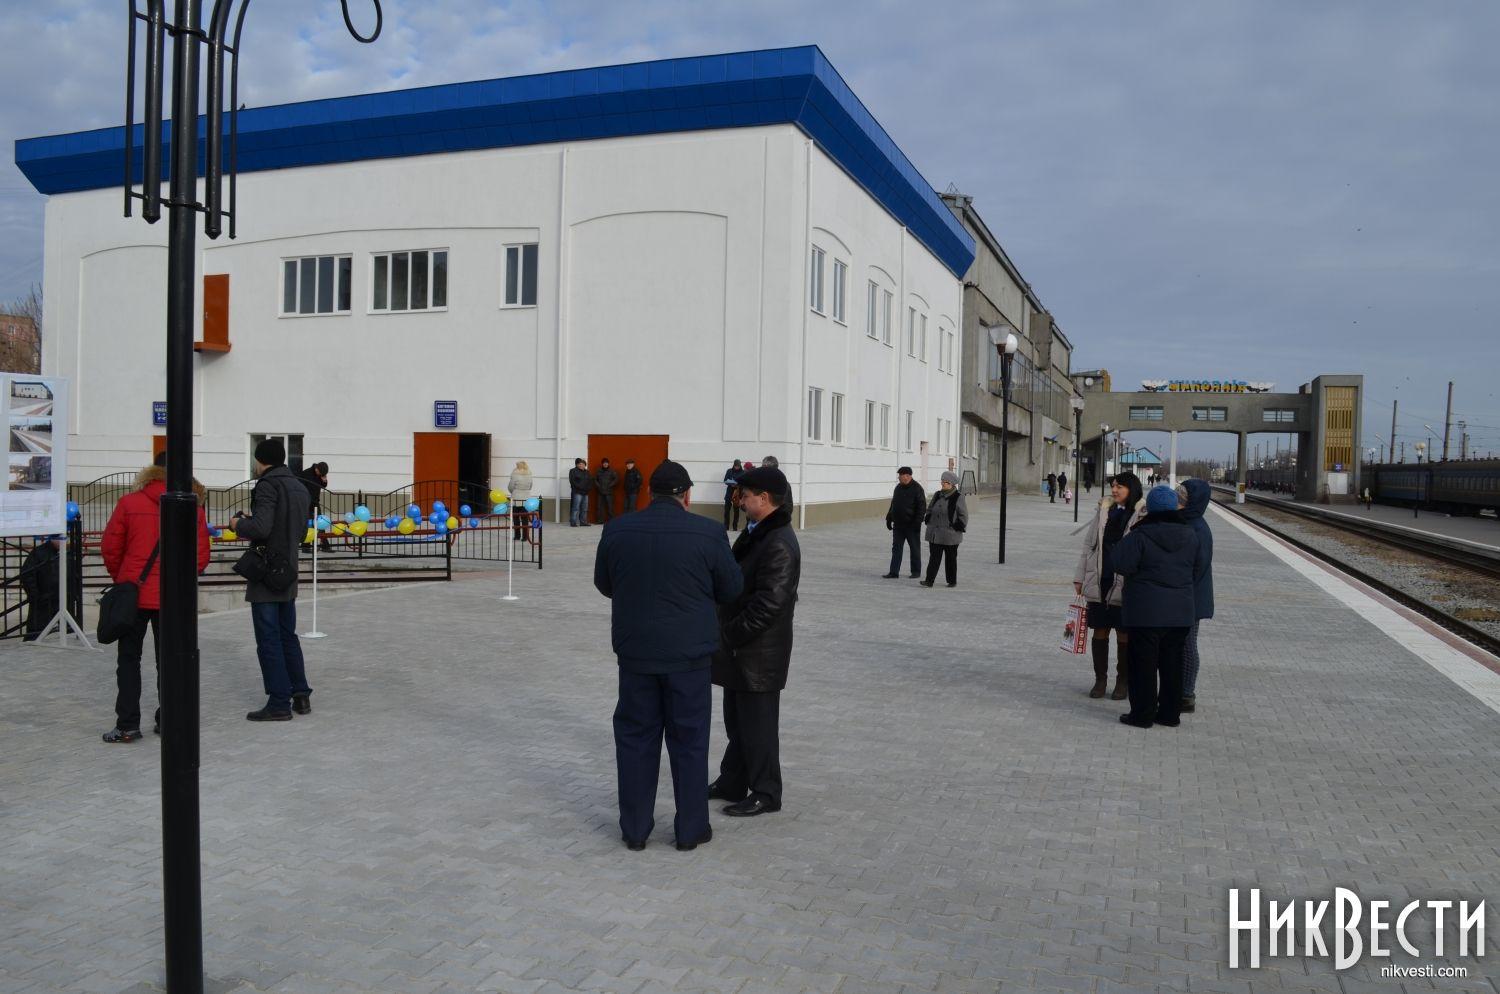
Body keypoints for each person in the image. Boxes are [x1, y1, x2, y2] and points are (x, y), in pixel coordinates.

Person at [593, 460, 742, 851]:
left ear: (649, 492)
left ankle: (635, 830)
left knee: (635, 740)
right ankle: (690, 830)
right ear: (687, 495)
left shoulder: (617, 528)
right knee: (689, 742)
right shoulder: (709, 532)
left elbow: (604, 583)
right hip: (689, 658)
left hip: (637, 656)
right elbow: (731, 588)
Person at [710, 465, 800, 818]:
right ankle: (733, 781)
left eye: (745, 496)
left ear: (764, 498)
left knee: (758, 727)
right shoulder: (757, 533)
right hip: (741, 651)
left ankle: (766, 791)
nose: (740, 501)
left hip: (758, 653)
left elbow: (769, 605)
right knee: (738, 722)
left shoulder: (778, 543)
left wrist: (728, 635)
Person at [100, 462, 211, 741]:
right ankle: (169, 720)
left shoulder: (129, 503)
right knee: (170, 661)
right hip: (172, 598)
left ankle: (127, 724)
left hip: (133, 595)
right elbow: (200, 556)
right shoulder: (192, 508)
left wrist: (123, 579)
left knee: (128, 660)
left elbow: (111, 547)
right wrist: (182, 583)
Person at [231, 438, 314, 722]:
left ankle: (279, 702)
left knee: (268, 639)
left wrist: (238, 524)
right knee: (287, 635)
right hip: (288, 570)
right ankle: (300, 694)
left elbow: (261, 527)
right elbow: (300, 532)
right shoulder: (299, 486)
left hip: (267, 572)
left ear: (260, 460)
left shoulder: (267, 485)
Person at [1112, 485, 1206, 729]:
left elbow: (1120, 563)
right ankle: (1169, 714)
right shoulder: (1191, 534)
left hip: (1145, 612)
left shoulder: (1140, 535)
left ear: (1150, 508)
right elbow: (1198, 568)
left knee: (1142, 665)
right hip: (1180, 613)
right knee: (1172, 664)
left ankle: (1142, 715)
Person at [1073, 472, 1144, 699]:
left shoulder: (1142, 513)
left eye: (1119, 487)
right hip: (1100, 580)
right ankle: (1100, 680)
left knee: (1124, 634)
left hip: (1125, 583)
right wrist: (1080, 576)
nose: (1114, 490)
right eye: (1113, 486)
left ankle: (1122, 681)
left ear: (1131, 489)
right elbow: (1089, 545)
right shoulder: (1104, 510)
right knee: (1100, 630)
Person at [1176, 480, 1215, 714]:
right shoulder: (1188, 522)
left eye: (1182, 497)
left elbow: (1196, 567)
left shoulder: (1198, 528)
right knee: (1183, 643)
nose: (1178, 500)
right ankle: (1181, 691)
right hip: (1186, 595)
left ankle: (1187, 694)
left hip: (1191, 597)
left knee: (1188, 645)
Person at [920, 471, 968, 588]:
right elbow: (930, 508)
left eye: (945, 482)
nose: (943, 484)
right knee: (934, 558)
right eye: (942, 481)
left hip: (950, 534)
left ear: (952, 484)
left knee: (950, 559)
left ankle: (952, 581)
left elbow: (963, 515)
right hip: (935, 533)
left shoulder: (958, 497)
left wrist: (958, 526)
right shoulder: (937, 494)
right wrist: (928, 517)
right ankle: (929, 581)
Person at [882, 466, 925, 578]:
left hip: (912, 525)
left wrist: (917, 522)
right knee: (896, 549)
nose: (899, 477)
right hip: (898, 525)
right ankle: (894, 572)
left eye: (900, 475)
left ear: (907, 476)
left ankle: (916, 571)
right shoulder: (898, 488)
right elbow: (894, 504)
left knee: (914, 549)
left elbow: (921, 508)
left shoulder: (917, 489)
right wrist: (889, 517)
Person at [20, 535, 63, 641]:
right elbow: (27, 575)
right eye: (60, 538)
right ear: (53, 539)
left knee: (69, 630)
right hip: (43, 600)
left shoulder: (65, 553)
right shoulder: (39, 553)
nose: (64, 542)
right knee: (35, 633)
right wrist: (35, 596)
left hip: (61, 599)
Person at [298, 461, 331, 552]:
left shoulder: (320, 474)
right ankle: (305, 546)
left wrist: (324, 481)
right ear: (317, 469)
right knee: (309, 524)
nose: (320, 475)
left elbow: (323, 485)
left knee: (321, 522)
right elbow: (300, 487)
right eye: (320, 473)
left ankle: (324, 545)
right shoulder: (306, 473)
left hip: (315, 502)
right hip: (307, 503)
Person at [509, 460, 534, 540]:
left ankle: (517, 536)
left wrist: (514, 491)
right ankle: (525, 537)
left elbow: (510, 487)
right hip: (526, 499)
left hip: (516, 499)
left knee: (516, 518)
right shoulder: (529, 474)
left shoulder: (514, 474)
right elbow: (530, 486)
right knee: (525, 519)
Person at [568, 457, 592, 527]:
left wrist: (588, 488)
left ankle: (583, 522)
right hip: (577, 492)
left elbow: (591, 481)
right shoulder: (573, 471)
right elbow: (573, 482)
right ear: (577, 465)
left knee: (584, 508)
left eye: (583, 464)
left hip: (586, 493)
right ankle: (573, 522)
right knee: (576, 508)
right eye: (580, 464)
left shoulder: (587, 472)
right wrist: (582, 488)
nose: (582, 465)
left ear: (585, 465)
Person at [722, 459, 744, 531]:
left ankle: (735, 527)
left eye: (738, 466)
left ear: (740, 465)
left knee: (736, 511)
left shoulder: (743, 472)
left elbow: (744, 482)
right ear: (734, 465)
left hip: (737, 492)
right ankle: (726, 526)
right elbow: (725, 480)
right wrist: (730, 483)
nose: (737, 467)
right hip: (729, 492)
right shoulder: (729, 471)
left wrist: (737, 484)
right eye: (735, 466)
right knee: (727, 510)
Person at [595, 458, 619, 524]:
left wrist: (610, 485)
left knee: (610, 507)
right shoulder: (598, 471)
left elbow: (616, 479)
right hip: (600, 491)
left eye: (606, 463)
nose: (605, 464)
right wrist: (598, 486)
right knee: (600, 507)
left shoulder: (612, 471)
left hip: (609, 492)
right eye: (604, 463)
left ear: (608, 463)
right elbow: (595, 479)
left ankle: (611, 521)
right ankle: (600, 520)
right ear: (602, 464)